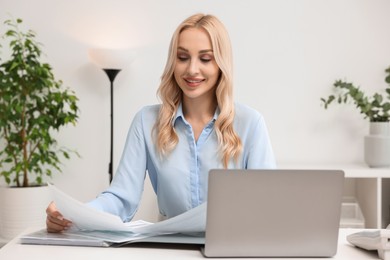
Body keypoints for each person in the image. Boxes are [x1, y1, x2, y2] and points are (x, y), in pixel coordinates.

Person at [46, 13, 276, 233]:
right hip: (170, 247)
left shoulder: (250, 124)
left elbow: (268, 206)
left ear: (221, 65)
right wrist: (74, 214)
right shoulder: (146, 122)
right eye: (182, 57)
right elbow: (121, 198)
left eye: (205, 58)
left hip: (231, 247)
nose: (192, 69)